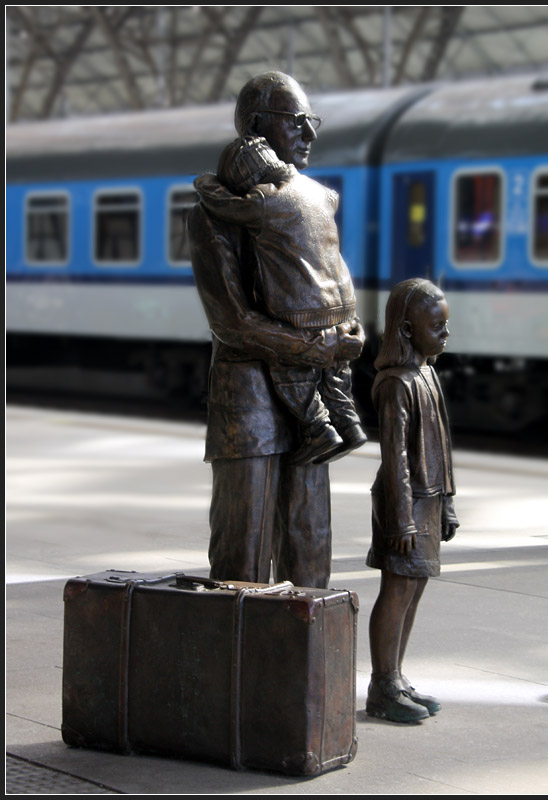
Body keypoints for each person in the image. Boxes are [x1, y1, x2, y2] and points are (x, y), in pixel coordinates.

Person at [186, 71, 365, 588]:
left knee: (310, 540)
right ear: (259, 127)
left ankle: (306, 663)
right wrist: (322, 348)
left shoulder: (311, 202)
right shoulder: (213, 214)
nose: (310, 135)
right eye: (299, 122)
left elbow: (329, 283)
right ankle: (237, 666)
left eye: (313, 122)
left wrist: (344, 335)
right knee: (244, 548)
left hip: (309, 385)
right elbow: (234, 323)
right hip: (248, 398)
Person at [195, 134, 367, 466]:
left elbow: (229, 206)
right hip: (343, 307)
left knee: (294, 376)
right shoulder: (321, 193)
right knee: (334, 374)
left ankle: (320, 430)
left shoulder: (265, 199)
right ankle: (349, 422)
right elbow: (331, 198)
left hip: (305, 310)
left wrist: (207, 186)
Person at [365, 278, 460, 724]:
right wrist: (401, 520)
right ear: (406, 330)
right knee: (397, 589)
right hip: (404, 505)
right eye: (436, 325)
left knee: (415, 589)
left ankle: (397, 679)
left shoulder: (427, 373)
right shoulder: (395, 384)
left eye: (445, 324)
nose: (445, 333)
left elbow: (442, 443)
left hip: (428, 500)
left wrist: (449, 502)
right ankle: (382, 686)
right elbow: (395, 457)